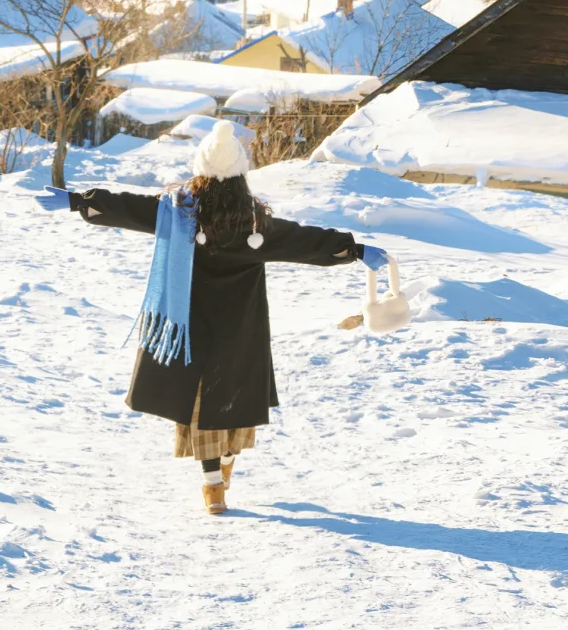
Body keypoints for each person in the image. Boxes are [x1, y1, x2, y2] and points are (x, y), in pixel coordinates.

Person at [37, 120, 386, 515]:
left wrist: (79, 201)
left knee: (199, 406)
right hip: (242, 330)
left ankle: (212, 486)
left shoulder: (175, 213)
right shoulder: (257, 227)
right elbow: (305, 240)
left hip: (189, 327)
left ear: (200, 171)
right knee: (234, 401)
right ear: (240, 176)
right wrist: (354, 249)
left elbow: (129, 207)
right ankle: (223, 468)